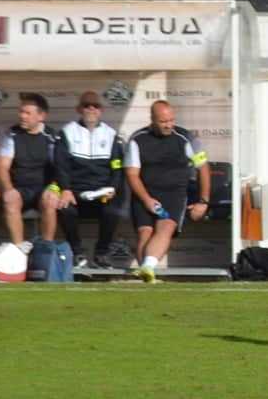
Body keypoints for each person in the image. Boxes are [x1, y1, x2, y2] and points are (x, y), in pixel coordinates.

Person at [125, 100, 210, 284]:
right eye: (163, 121)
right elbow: (132, 174)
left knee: (166, 227)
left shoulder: (186, 138)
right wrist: (147, 200)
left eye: (171, 120)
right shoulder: (137, 139)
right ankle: (146, 277)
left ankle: (147, 268)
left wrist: (203, 201)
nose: (169, 125)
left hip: (174, 193)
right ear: (152, 120)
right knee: (144, 233)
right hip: (144, 193)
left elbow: (203, 168)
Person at [61, 91, 130, 270]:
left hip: (102, 192)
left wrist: (113, 188)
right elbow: (61, 166)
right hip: (76, 191)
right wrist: (66, 189)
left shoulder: (111, 135)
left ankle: (101, 254)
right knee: (65, 209)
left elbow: (117, 167)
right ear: (79, 109)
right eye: (86, 105)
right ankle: (77, 253)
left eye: (95, 106)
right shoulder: (67, 132)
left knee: (112, 210)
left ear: (101, 110)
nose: (91, 109)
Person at [0, 93, 72, 250]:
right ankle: (19, 249)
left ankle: (46, 248)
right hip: (19, 188)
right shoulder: (11, 135)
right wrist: (8, 189)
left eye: (27, 113)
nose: (22, 116)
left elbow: (60, 167)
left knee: (50, 200)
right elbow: (2, 166)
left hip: (43, 188)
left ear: (41, 116)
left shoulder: (52, 137)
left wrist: (56, 188)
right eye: (21, 112)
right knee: (10, 200)